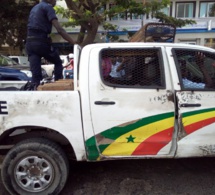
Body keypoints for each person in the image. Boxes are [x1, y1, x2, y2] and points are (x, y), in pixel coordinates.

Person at [25, 0, 75, 87]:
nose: (55, 1)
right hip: (41, 42)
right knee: (58, 62)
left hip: (30, 43)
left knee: (36, 76)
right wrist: (73, 42)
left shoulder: (35, 8)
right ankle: (57, 85)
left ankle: (34, 89)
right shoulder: (48, 7)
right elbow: (59, 29)